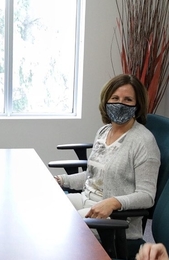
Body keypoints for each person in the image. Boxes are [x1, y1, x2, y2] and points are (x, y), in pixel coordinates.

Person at [54, 74, 160, 241]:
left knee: (62, 229)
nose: (120, 104)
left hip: (115, 218)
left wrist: (112, 202)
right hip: (85, 199)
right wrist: (61, 180)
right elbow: (93, 175)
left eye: (128, 100)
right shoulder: (104, 132)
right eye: (115, 98)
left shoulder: (144, 142)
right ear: (106, 101)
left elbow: (147, 196)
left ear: (137, 105)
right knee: (46, 211)